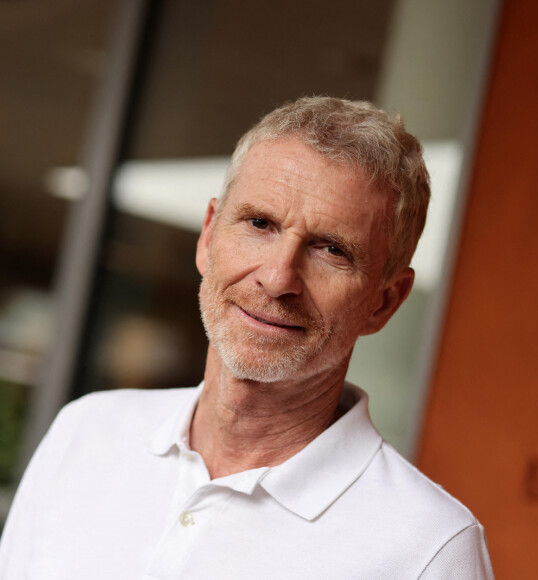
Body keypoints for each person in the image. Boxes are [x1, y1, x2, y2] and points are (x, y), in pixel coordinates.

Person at [0, 96, 494, 579]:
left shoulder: (429, 549)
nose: (279, 278)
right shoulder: (85, 433)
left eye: (332, 250)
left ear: (385, 301)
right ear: (209, 236)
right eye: (260, 223)